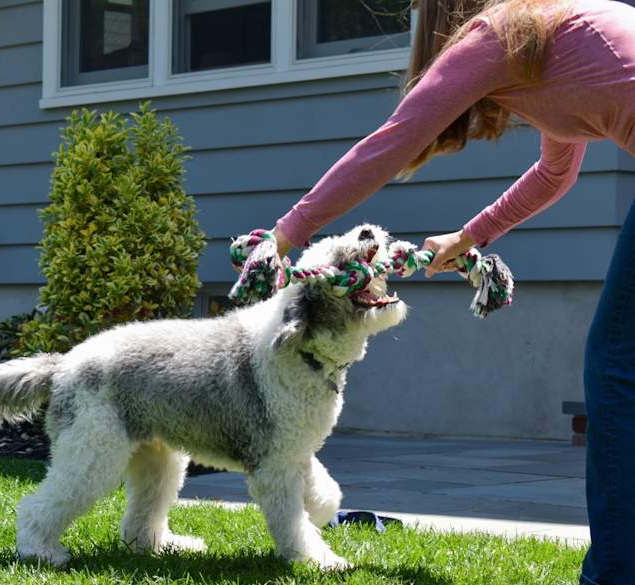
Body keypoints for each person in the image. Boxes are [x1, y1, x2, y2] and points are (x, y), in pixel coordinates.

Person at [264, 1, 635, 583]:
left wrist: (287, 233)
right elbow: (554, 173)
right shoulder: (546, 35)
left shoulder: (500, 33)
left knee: (617, 368)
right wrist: (470, 236)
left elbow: (391, 142)